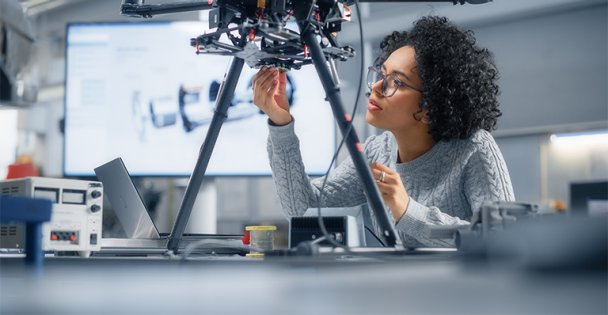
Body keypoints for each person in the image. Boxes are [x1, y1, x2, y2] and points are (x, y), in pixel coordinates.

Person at [252, 16, 515, 247]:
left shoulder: (474, 148)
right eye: (381, 74)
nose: (376, 87)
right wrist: (280, 124)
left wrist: (409, 212)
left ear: (430, 108)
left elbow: (503, 239)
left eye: (395, 82)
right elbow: (302, 208)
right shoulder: (377, 152)